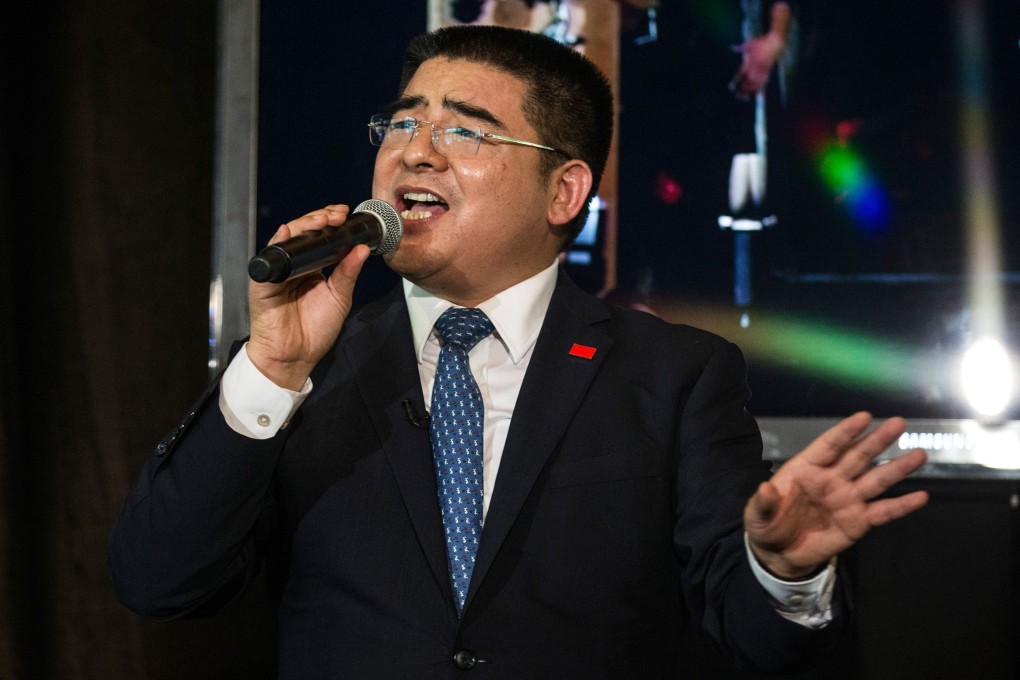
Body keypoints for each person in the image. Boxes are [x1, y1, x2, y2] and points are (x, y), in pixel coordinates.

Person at [108, 24, 928, 678]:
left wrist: (781, 571)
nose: (414, 152)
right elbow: (160, 584)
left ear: (564, 190)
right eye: (401, 122)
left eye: (464, 131)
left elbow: (756, 640)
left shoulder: (674, 377)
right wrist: (272, 371)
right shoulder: (312, 368)